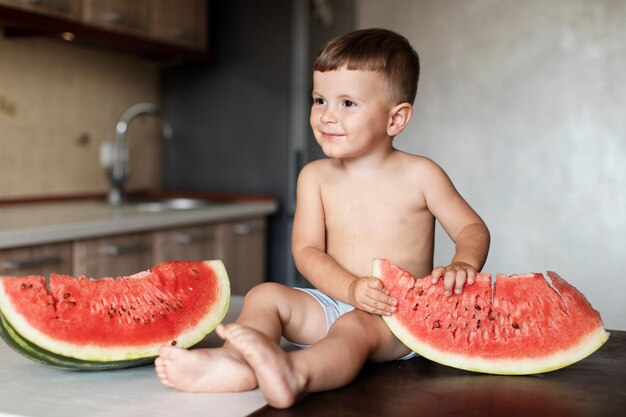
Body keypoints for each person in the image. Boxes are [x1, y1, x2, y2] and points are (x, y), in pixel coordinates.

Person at [155, 28, 490, 409]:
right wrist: (348, 289)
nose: (327, 116)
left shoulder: (421, 175)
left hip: (392, 318)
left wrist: (464, 262)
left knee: (353, 328)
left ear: (395, 119)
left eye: (348, 103)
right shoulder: (314, 177)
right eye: (319, 100)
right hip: (331, 300)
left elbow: (470, 227)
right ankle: (235, 363)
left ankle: (296, 373)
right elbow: (307, 250)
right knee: (266, 295)